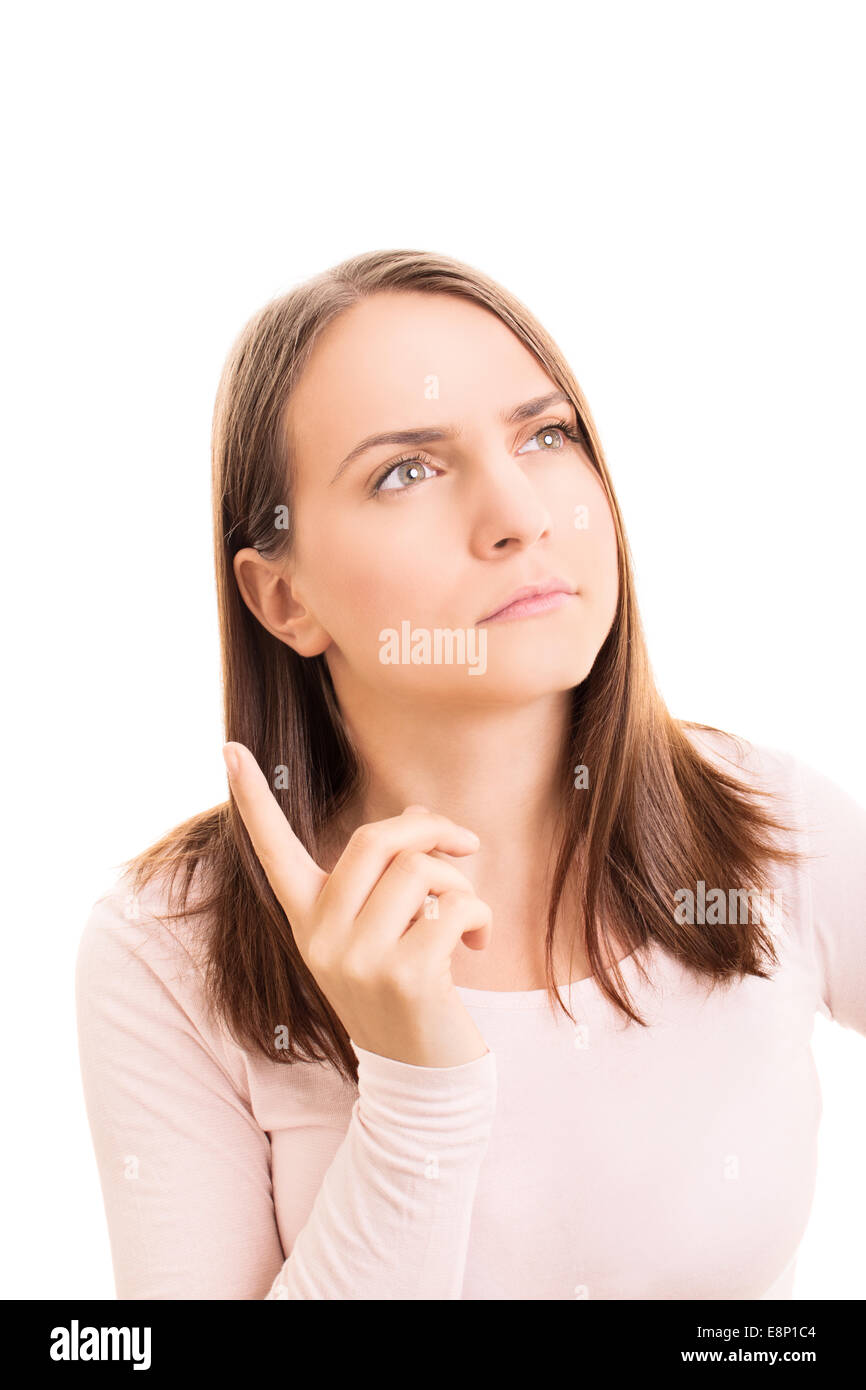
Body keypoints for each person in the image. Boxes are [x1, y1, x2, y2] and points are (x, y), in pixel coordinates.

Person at [75, 249, 866, 1299]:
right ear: (282, 599)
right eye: (406, 470)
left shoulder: (773, 827)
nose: (520, 515)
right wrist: (416, 1093)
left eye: (545, 435)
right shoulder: (168, 949)